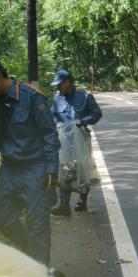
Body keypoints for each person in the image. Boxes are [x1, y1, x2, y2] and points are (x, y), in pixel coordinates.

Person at [0, 56, 60, 266]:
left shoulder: (31, 97)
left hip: (35, 168)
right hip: (9, 169)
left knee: (37, 224)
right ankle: (31, 250)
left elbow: (49, 135)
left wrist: (52, 168)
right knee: (3, 219)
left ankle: (41, 274)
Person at [50, 69, 102, 216]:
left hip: (81, 139)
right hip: (63, 141)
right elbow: (52, 115)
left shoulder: (85, 97)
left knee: (82, 170)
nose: (58, 87)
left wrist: (83, 121)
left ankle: (82, 201)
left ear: (68, 82)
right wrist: (55, 126)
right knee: (65, 171)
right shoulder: (57, 98)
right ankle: (64, 205)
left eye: (60, 84)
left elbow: (97, 113)